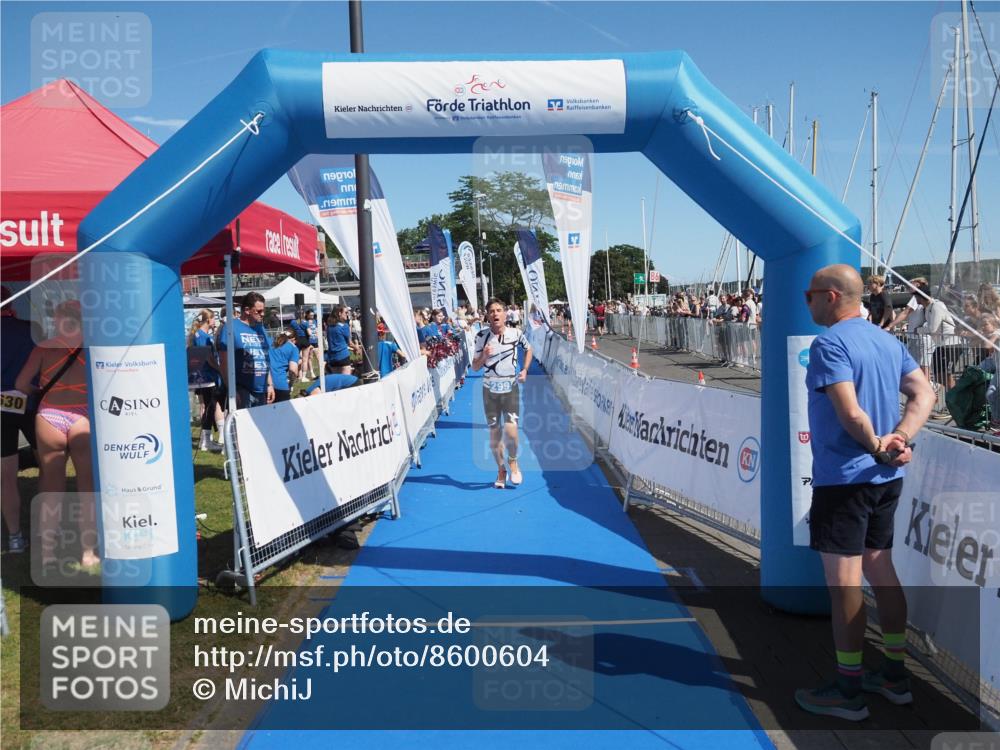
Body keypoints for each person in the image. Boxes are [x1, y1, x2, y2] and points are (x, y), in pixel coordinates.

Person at [796, 264, 935, 721]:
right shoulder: (886, 340)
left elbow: (850, 412)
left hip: (846, 478)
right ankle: (894, 675)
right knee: (881, 567)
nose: (806, 301)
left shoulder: (830, 343)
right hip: (884, 479)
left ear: (831, 296)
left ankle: (848, 690)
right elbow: (924, 393)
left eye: (810, 294)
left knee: (845, 585)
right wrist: (900, 439)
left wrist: (879, 444)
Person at [15, 300, 98, 568]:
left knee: (52, 489)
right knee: (87, 489)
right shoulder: (91, 346)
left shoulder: (43, 347)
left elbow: (20, 384)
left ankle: (48, 553)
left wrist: (38, 394)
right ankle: (87, 553)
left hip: (49, 416)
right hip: (82, 416)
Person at [472, 298, 533, 489]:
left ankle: (513, 460)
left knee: (512, 432)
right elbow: (474, 367)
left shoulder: (516, 333)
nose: (496, 314)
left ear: (506, 314)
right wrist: (484, 356)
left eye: (499, 310)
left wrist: (525, 370)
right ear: (487, 315)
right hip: (489, 390)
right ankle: (501, 469)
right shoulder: (481, 336)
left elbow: (529, 349)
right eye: (492, 311)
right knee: (494, 435)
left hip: (510, 387)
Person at [1, 286, 38, 553]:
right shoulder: (30, 328)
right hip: (30, 403)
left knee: (6, 478)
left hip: (1, 408)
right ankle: (52, 531)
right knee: (51, 468)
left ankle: (15, 538)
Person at [219, 292, 275, 409]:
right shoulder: (231, 327)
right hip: (242, 389)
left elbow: (265, 358)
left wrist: (270, 384)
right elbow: (224, 362)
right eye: (258, 311)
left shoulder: (261, 328)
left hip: (262, 389)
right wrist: (232, 390)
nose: (262, 314)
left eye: (263, 310)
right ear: (247, 310)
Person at [188, 309, 224, 451]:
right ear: (208, 320)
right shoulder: (203, 336)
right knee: (212, 406)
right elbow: (208, 357)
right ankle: (209, 441)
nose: (215, 321)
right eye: (213, 318)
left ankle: (206, 440)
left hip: (201, 377)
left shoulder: (197, 335)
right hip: (207, 377)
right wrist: (220, 368)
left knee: (208, 406)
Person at [268, 328, 300, 402]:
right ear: (294, 339)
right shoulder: (293, 348)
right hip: (281, 385)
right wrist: (291, 384)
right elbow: (293, 370)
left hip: (265, 383)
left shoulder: (269, 341)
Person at [326, 304, 355, 376]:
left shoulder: (329, 326)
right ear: (339, 313)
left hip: (332, 358)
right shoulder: (344, 326)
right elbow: (350, 343)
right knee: (346, 381)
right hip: (343, 357)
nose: (347, 314)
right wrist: (357, 348)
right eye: (345, 312)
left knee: (337, 383)